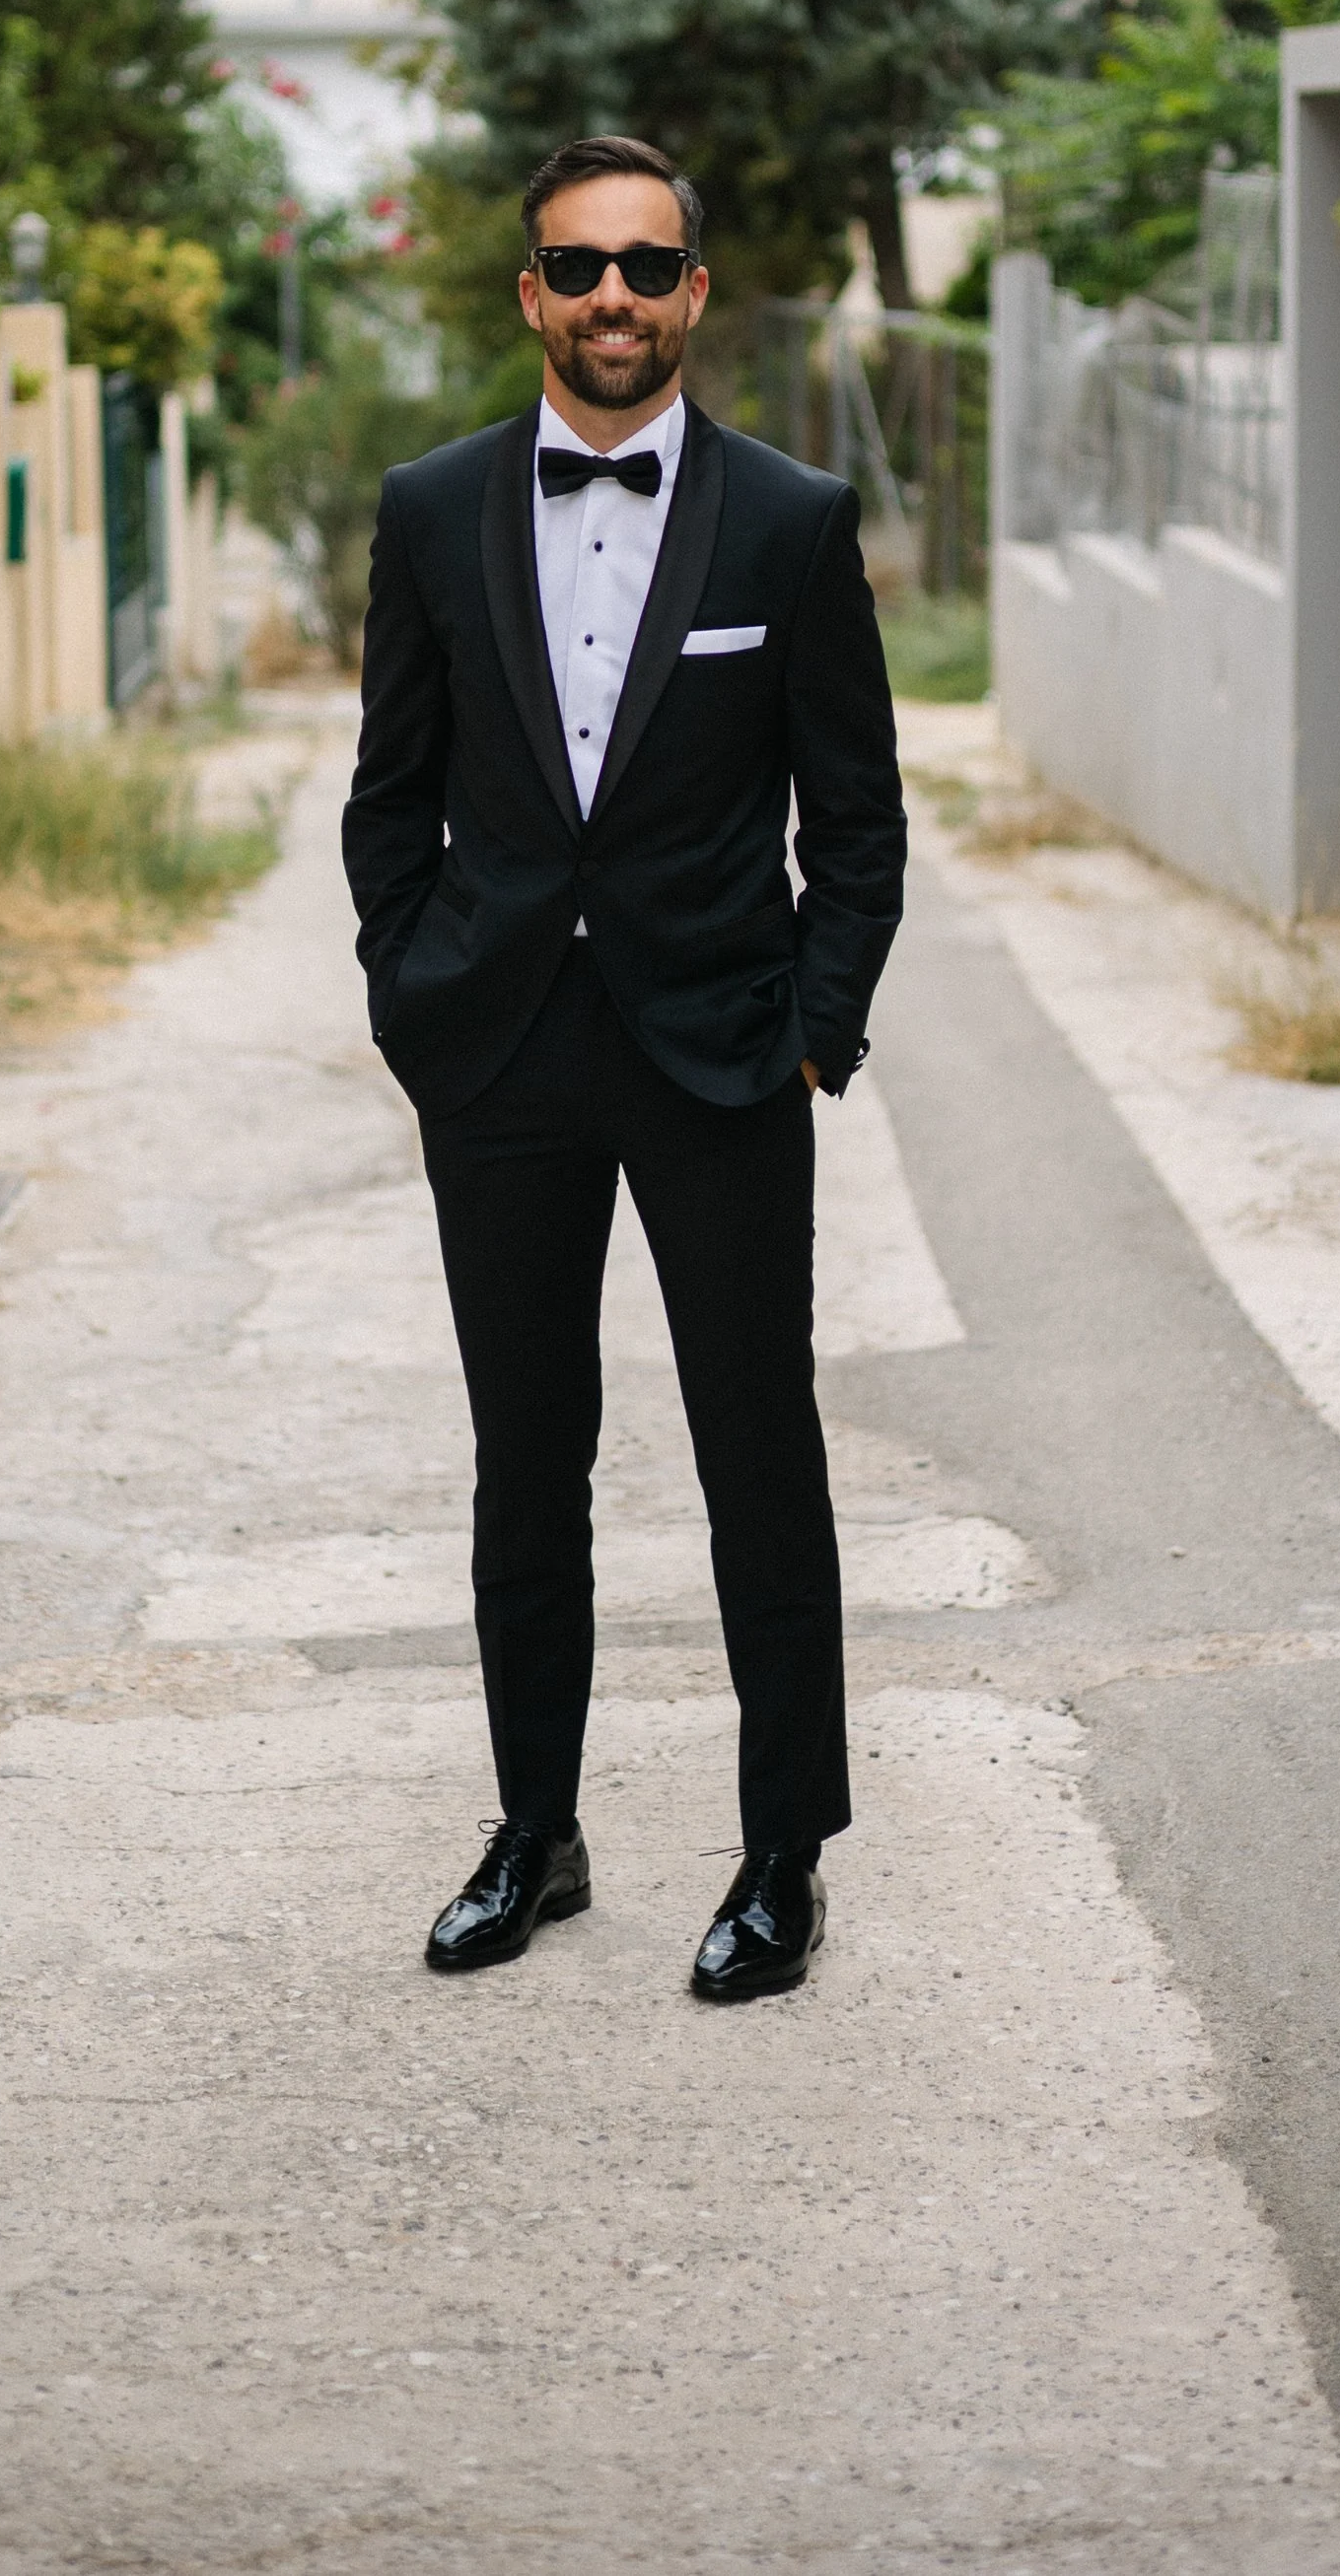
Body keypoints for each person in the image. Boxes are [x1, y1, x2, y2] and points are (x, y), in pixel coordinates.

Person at [341, 134, 905, 2002]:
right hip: (497, 1053)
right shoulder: (428, 512)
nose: (610, 298)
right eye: (577, 266)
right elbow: (388, 793)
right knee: (530, 1458)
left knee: (762, 1454)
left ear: (693, 291)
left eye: (644, 267)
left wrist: (814, 1035)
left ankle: (781, 1857)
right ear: (529, 291)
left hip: (720, 1059)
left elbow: (862, 821)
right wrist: (411, 999)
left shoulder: (791, 523)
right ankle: (537, 1832)